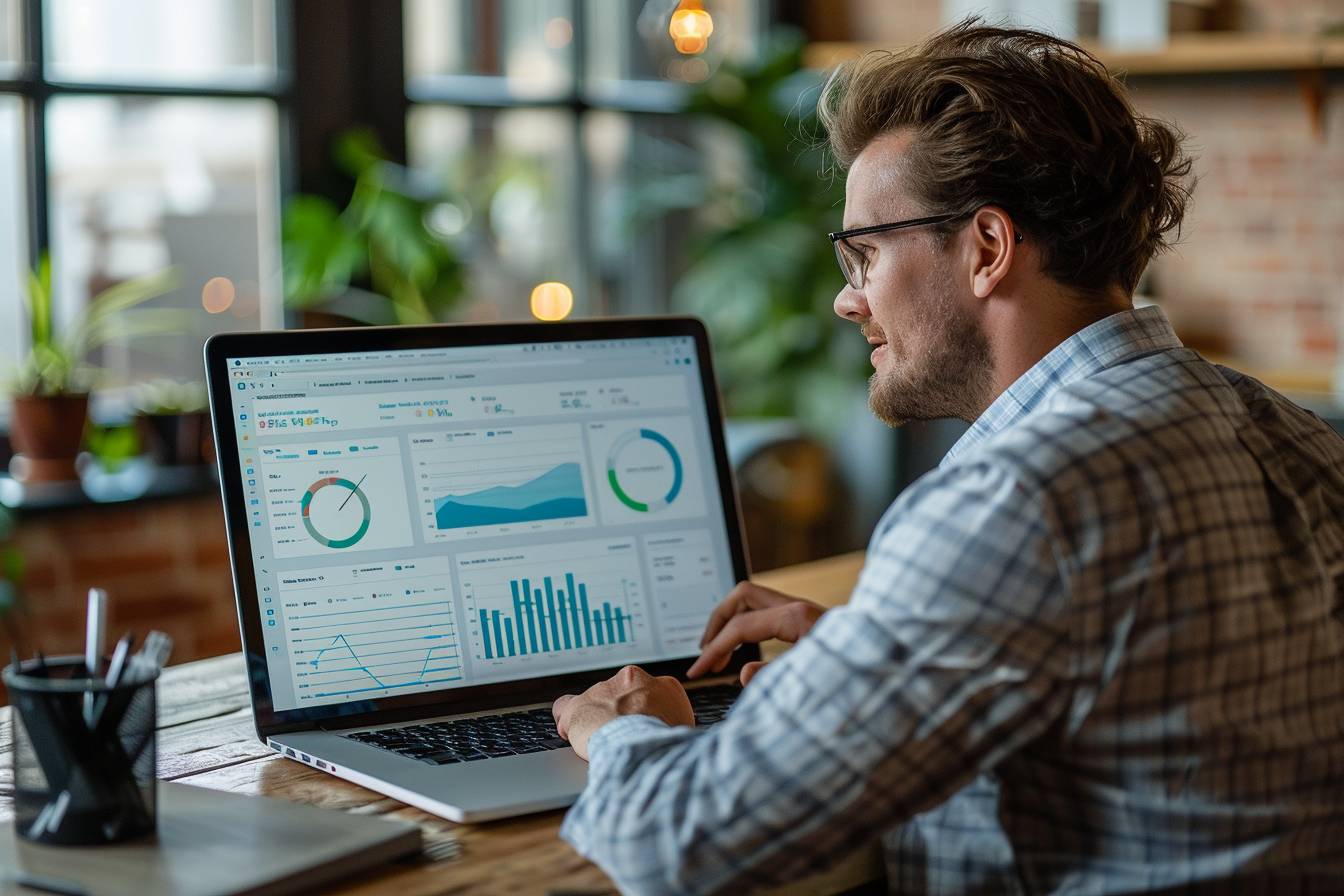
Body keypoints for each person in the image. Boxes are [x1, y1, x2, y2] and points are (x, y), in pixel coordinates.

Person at [551, 20, 1344, 895]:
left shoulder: (1018, 501)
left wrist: (622, 727)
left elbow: (685, 849)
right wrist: (882, 652)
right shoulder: (1295, 436)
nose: (848, 301)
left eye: (865, 254)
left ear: (987, 250)